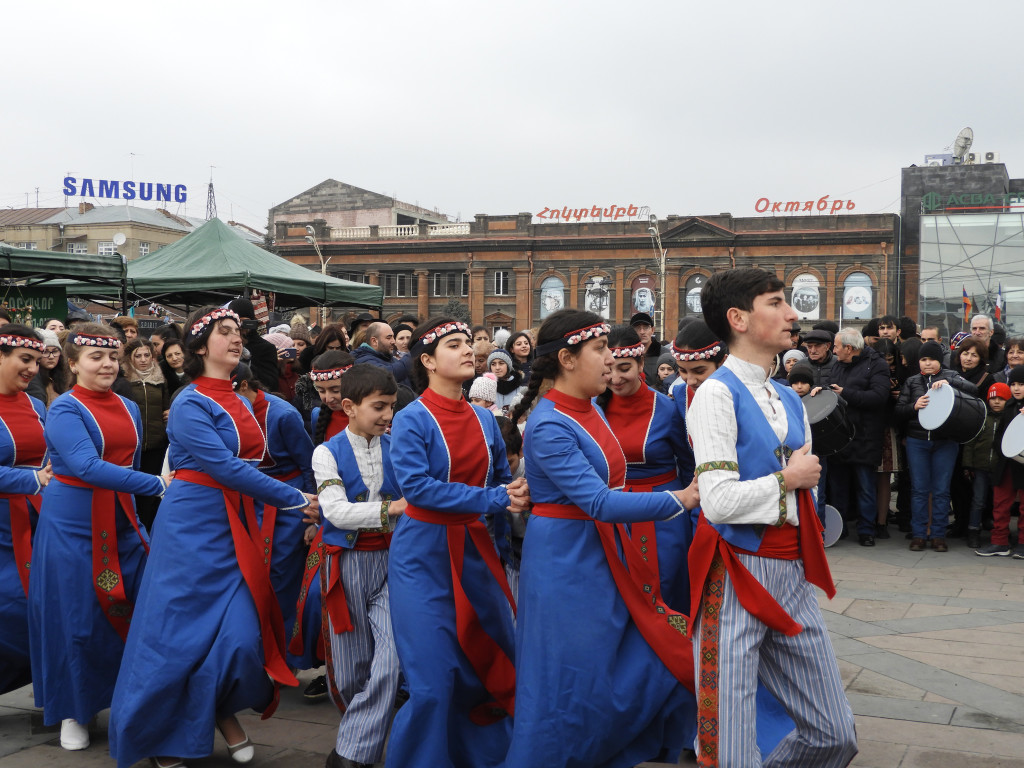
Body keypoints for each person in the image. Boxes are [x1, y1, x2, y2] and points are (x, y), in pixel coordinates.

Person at [109, 306, 318, 768]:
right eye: (224, 333)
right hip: (193, 524)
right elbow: (222, 467)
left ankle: (217, 709)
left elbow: (248, 467)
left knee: (242, 635)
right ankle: (159, 733)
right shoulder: (189, 401)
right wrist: (295, 498)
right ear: (200, 347)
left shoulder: (238, 399)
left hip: (237, 520)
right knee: (176, 634)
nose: (236, 339)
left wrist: (290, 495)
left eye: (239, 332)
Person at [506, 310, 698, 767]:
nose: (609, 361)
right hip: (567, 560)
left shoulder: (589, 408)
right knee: (577, 675)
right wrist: (682, 499)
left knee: (630, 658)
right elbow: (599, 502)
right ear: (568, 360)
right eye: (599, 351)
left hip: (601, 549)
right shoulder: (551, 422)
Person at [687, 268, 856, 767]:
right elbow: (717, 502)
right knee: (731, 746)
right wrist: (788, 480)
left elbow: (806, 487)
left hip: (792, 568)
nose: (793, 314)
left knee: (834, 735)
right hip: (736, 570)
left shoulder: (787, 395)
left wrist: (798, 486)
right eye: (777, 303)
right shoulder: (715, 394)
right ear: (738, 318)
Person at [386, 317, 527, 768]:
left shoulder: (486, 420)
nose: (469, 350)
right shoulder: (411, 419)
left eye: (469, 343)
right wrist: (495, 497)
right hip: (422, 552)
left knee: (483, 664)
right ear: (426, 360)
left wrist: (518, 495)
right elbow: (419, 489)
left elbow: (503, 480)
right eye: (454, 344)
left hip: (477, 551)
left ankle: (480, 756)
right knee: (431, 678)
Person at [29, 324, 169, 752]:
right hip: (74, 525)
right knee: (75, 618)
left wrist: (145, 492)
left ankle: (128, 700)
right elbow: (87, 468)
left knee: (136, 609)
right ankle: (74, 709)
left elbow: (130, 459)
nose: (107, 364)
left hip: (122, 520)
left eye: (112, 357)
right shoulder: (65, 409)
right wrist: (160, 486)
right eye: (95, 357)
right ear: (72, 364)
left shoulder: (128, 405)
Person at [314, 364, 405, 768]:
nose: (387, 415)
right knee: (351, 670)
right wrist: (395, 508)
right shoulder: (326, 452)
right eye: (379, 407)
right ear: (349, 407)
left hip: (393, 563)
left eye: (391, 407)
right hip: (346, 563)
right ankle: (361, 742)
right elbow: (335, 512)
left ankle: (350, 754)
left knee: (392, 658)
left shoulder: (398, 446)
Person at [232, 363, 315, 676]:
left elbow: (308, 466)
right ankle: (253, 651)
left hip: (287, 503)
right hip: (248, 502)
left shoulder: (282, 414)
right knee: (249, 577)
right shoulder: (224, 412)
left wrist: (311, 518)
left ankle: (283, 657)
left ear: (242, 386)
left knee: (282, 577)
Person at [0, 327, 52, 699]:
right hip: (3, 525)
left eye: (36, 360)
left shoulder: (36, 405)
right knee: (14, 609)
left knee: (46, 604)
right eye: (24, 359)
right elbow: (39, 472)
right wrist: (32, 478)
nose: (33, 368)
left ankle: (56, 685)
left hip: (40, 519)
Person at [895, 340, 978, 552]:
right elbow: (899, 411)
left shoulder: (950, 375)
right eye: (923, 359)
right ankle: (919, 534)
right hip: (917, 441)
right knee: (919, 490)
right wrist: (914, 406)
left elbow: (973, 389)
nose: (927, 363)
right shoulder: (912, 381)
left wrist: (952, 384)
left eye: (931, 359)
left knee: (941, 490)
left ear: (939, 361)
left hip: (945, 441)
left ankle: (939, 535)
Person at [828, 327, 891, 546]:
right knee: (838, 487)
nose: (833, 351)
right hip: (839, 437)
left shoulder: (877, 365)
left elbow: (879, 397)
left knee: (865, 487)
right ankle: (840, 527)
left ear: (848, 348)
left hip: (865, 436)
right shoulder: (837, 365)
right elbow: (832, 391)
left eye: (836, 346)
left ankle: (866, 530)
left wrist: (845, 393)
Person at [121, 338, 171, 531]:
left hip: (157, 444)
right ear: (130, 358)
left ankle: (149, 529)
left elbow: (166, 405)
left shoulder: (160, 379)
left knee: (152, 492)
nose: (143, 359)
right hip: (134, 445)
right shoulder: (124, 381)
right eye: (138, 356)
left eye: (146, 355)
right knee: (135, 490)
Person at [976, 369, 1024, 557]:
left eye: (1021, 384)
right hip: (1006, 464)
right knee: (1000, 503)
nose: (1016, 388)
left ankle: (1022, 543)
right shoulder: (1010, 405)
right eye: (1013, 384)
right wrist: (1004, 450)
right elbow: (1000, 437)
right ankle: (999, 541)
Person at [961, 383, 1005, 549]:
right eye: (993, 398)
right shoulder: (982, 417)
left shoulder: (1009, 418)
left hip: (1000, 469)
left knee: (999, 502)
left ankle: (999, 531)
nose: (996, 402)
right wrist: (967, 465)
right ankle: (973, 530)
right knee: (978, 501)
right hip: (979, 467)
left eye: (1001, 399)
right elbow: (970, 442)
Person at [229, 297, 280, 392]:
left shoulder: (266, 348)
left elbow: (271, 384)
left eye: (246, 322)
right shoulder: (225, 345)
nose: (242, 326)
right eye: (238, 321)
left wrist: (247, 362)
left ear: (252, 321)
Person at [352, 322, 411, 386]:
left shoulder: (388, 357)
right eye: (389, 338)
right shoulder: (362, 360)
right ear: (374, 341)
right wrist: (414, 353)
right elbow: (388, 376)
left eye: (393, 337)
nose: (393, 341)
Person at [31, 328, 70, 405]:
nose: (51, 356)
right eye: (46, 352)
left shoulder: (66, 375)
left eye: (55, 351)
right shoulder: (32, 376)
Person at [487, 348, 523, 417]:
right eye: (493, 364)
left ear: (508, 365)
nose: (497, 367)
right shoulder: (486, 388)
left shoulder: (520, 389)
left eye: (501, 363)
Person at [630, 311, 663, 383]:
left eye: (645, 327)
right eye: (638, 328)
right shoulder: (628, 355)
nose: (642, 332)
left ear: (652, 330)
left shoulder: (663, 353)